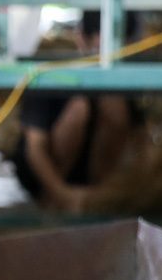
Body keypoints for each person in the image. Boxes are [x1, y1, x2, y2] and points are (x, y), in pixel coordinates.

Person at [11, 12, 138, 213]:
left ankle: (94, 195)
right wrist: (62, 193)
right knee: (80, 107)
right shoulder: (53, 75)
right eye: (98, 48)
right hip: (42, 176)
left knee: (113, 104)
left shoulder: (125, 83)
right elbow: (34, 147)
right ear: (81, 39)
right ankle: (53, 200)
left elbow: (139, 139)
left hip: (89, 174)